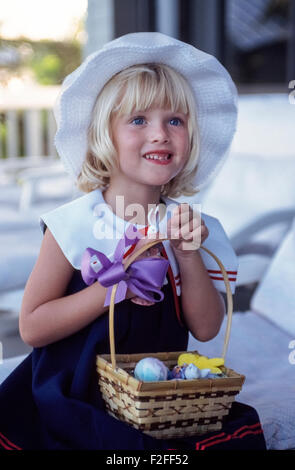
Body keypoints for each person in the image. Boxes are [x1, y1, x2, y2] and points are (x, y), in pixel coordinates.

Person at [0, 32, 266, 450]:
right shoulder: (74, 224)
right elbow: (32, 327)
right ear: (105, 135)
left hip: (160, 403)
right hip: (76, 386)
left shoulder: (191, 226)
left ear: (190, 138)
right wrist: (114, 286)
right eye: (139, 120)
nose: (160, 134)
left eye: (175, 120)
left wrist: (187, 253)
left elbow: (207, 327)